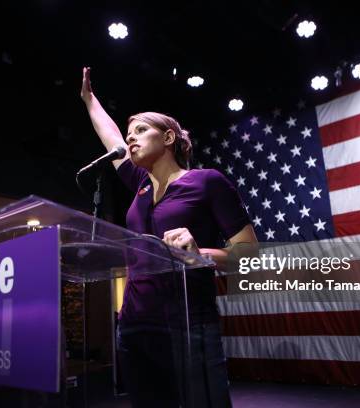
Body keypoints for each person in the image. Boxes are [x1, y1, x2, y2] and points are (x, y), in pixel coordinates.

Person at [80, 67, 257, 408]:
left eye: (142, 130)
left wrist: (199, 252)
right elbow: (111, 137)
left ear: (169, 138)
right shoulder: (140, 185)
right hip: (134, 324)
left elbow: (249, 255)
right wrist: (89, 100)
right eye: (130, 133)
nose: (131, 139)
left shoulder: (206, 182)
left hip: (188, 323)